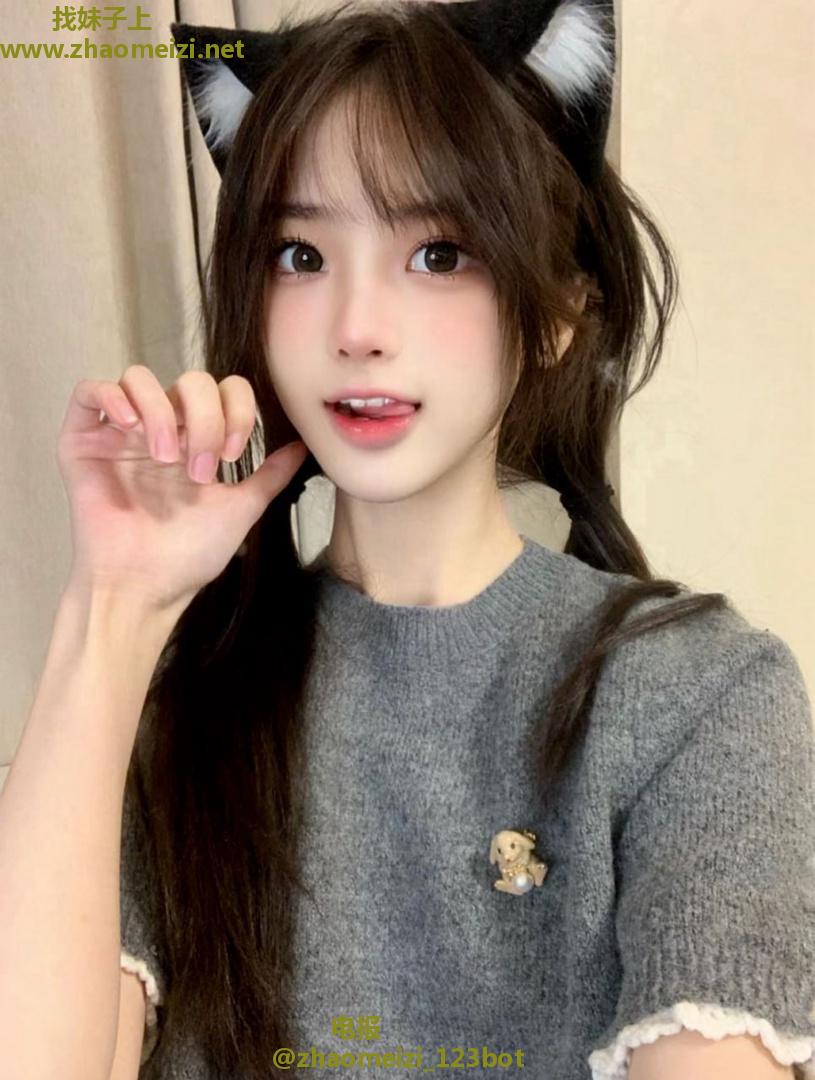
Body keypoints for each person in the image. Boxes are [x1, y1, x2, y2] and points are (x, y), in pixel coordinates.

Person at [2, 2, 811, 1079]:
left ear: (557, 313)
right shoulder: (170, 707)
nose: (356, 328)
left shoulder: (694, 695)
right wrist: (113, 605)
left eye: (438, 252)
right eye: (300, 254)